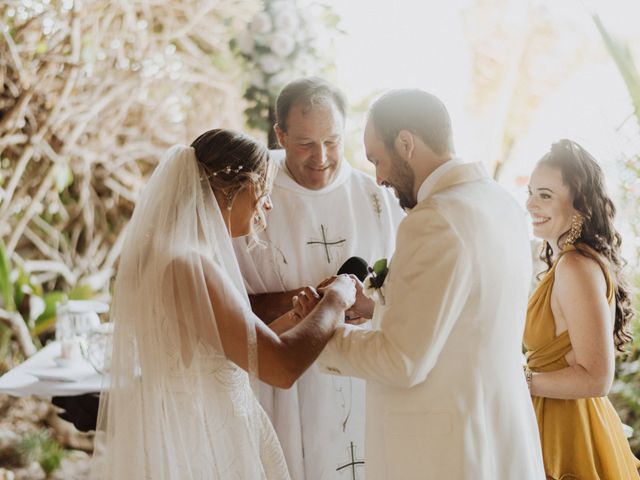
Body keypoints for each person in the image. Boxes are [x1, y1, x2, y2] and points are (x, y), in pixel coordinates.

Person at [89, 129, 356, 479]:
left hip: (192, 430)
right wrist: (337, 299)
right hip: (200, 446)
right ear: (234, 189)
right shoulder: (190, 265)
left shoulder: (176, 255)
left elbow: (220, 351)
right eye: (263, 189)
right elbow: (280, 368)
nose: (269, 203)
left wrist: (295, 318)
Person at [312, 89, 545, 479]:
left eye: (377, 160)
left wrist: (321, 334)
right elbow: (467, 315)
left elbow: (401, 361)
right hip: (499, 432)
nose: (379, 177)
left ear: (406, 143)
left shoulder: (435, 219)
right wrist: (380, 309)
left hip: (444, 452)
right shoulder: (500, 204)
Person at [233, 77, 404, 479]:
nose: (322, 157)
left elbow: (406, 293)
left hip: (360, 380)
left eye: (332, 140)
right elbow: (225, 298)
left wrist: (368, 305)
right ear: (280, 133)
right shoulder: (251, 193)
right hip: (279, 384)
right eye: (305, 143)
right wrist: (306, 302)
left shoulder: (379, 198)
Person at [524, 139, 639, 479]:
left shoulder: (576, 267)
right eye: (530, 192)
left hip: (571, 431)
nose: (531, 203)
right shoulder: (567, 263)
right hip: (554, 421)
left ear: (580, 204)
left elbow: (596, 377)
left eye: (545, 195)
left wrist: (520, 380)